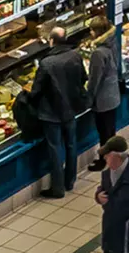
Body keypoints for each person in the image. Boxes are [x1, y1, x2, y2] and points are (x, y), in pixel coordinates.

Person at [24, 25, 90, 196]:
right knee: (71, 145)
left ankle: (57, 188)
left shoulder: (46, 63)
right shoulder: (75, 55)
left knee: (55, 149)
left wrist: (27, 97)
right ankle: (70, 181)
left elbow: (36, 91)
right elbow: (83, 78)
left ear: (52, 41)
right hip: (71, 109)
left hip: (51, 113)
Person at [86, 22, 121, 172]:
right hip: (113, 94)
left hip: (103, 99)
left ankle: (103, 160)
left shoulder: (98, 53)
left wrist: (89, 97)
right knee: (110, 130)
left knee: (104, 132)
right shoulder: (113, 42)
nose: (90, 33)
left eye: (92, 30)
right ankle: (113, 156)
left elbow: (95, 79)